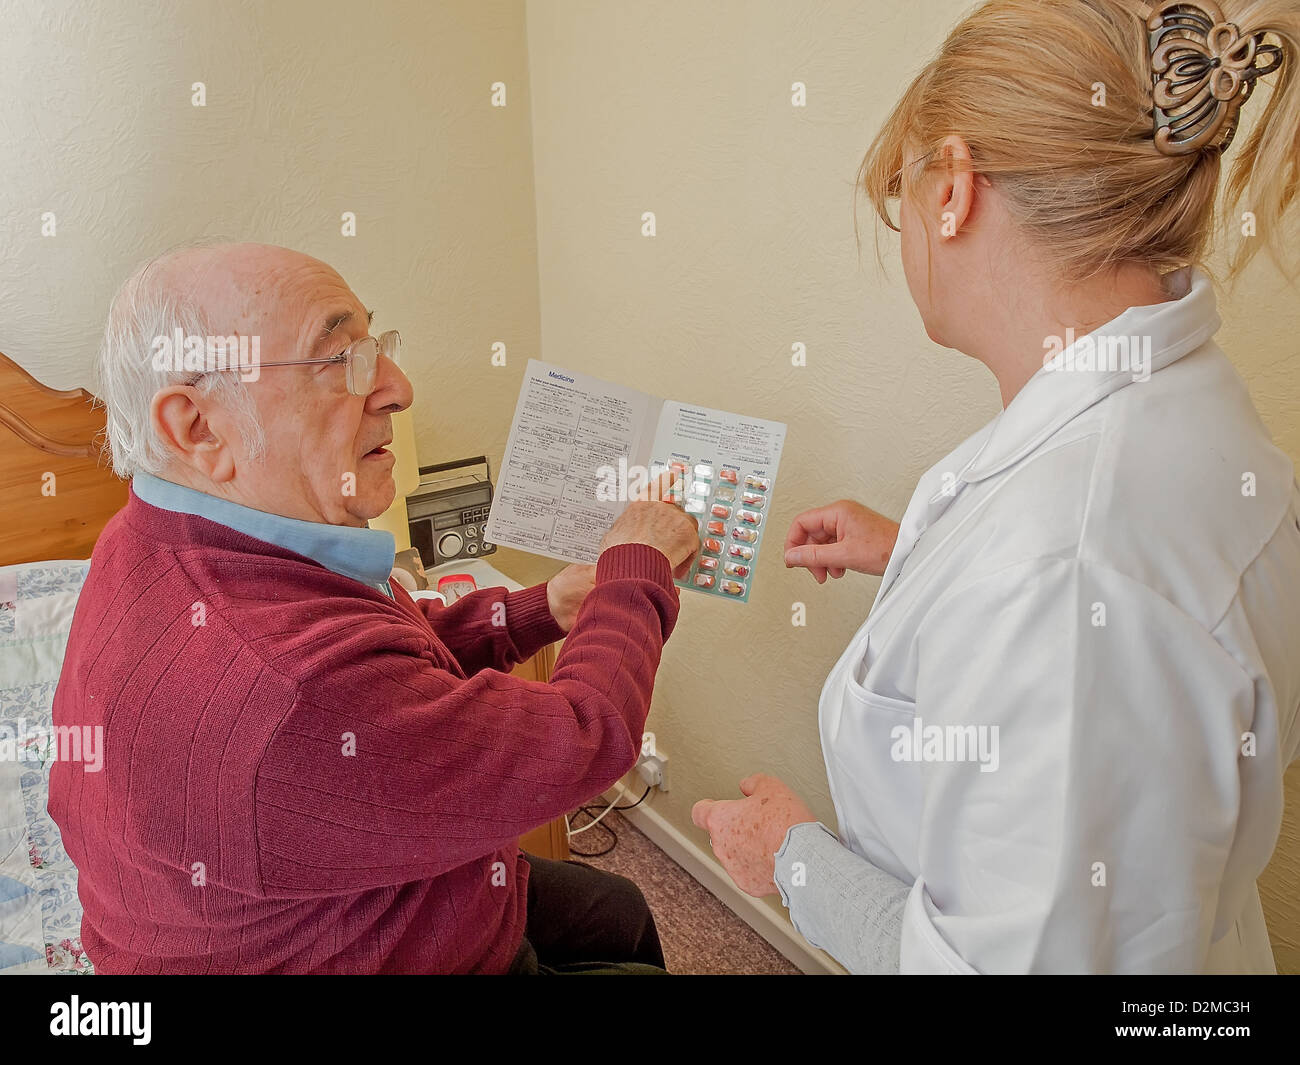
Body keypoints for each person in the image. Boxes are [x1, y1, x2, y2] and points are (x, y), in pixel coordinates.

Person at [692, 0, 1300, 973]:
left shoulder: (1066, 567)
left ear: (953, 190)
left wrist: (791, 858)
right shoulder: (1184, 411)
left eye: (902, 193)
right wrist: (916, 553)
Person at [49, 241, 699, 974]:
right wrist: (636, 566)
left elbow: (383, 666)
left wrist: (542, 606)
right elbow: (584, 735)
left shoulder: (152, 535)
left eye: (375, 346)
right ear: (199, 429)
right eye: (340, 359)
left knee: (622, 909)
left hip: (352, 891)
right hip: (377, 945)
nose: (398, 387)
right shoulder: (292, 690)